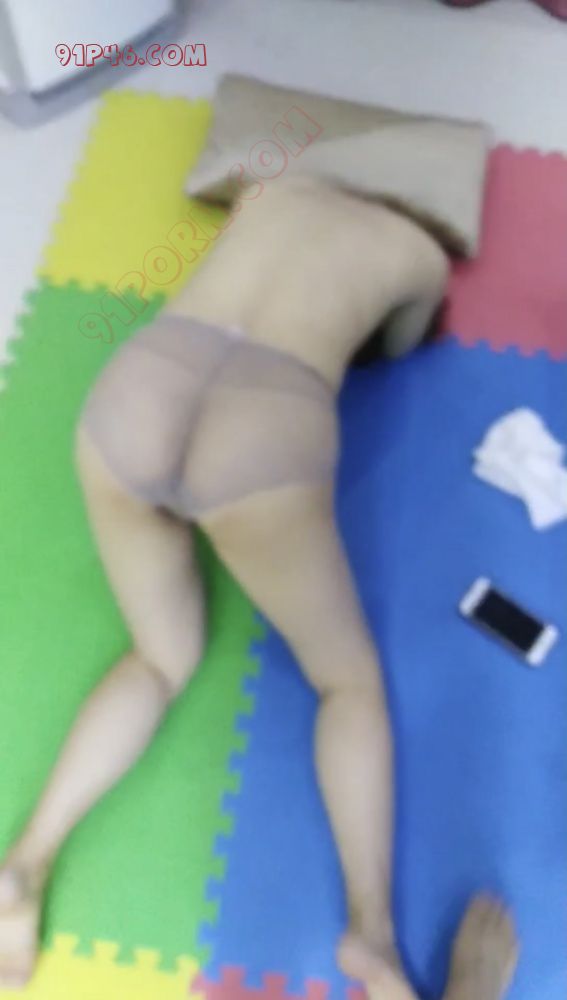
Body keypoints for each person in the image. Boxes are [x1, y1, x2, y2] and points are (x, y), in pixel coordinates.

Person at [0, 176, 518, 999]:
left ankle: (23, 864)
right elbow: (401, 346)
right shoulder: (419, 254)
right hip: (260, 436)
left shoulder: (271, 189)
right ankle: (371, 933)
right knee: (345, 681)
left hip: (137, 390)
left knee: (159, 657)